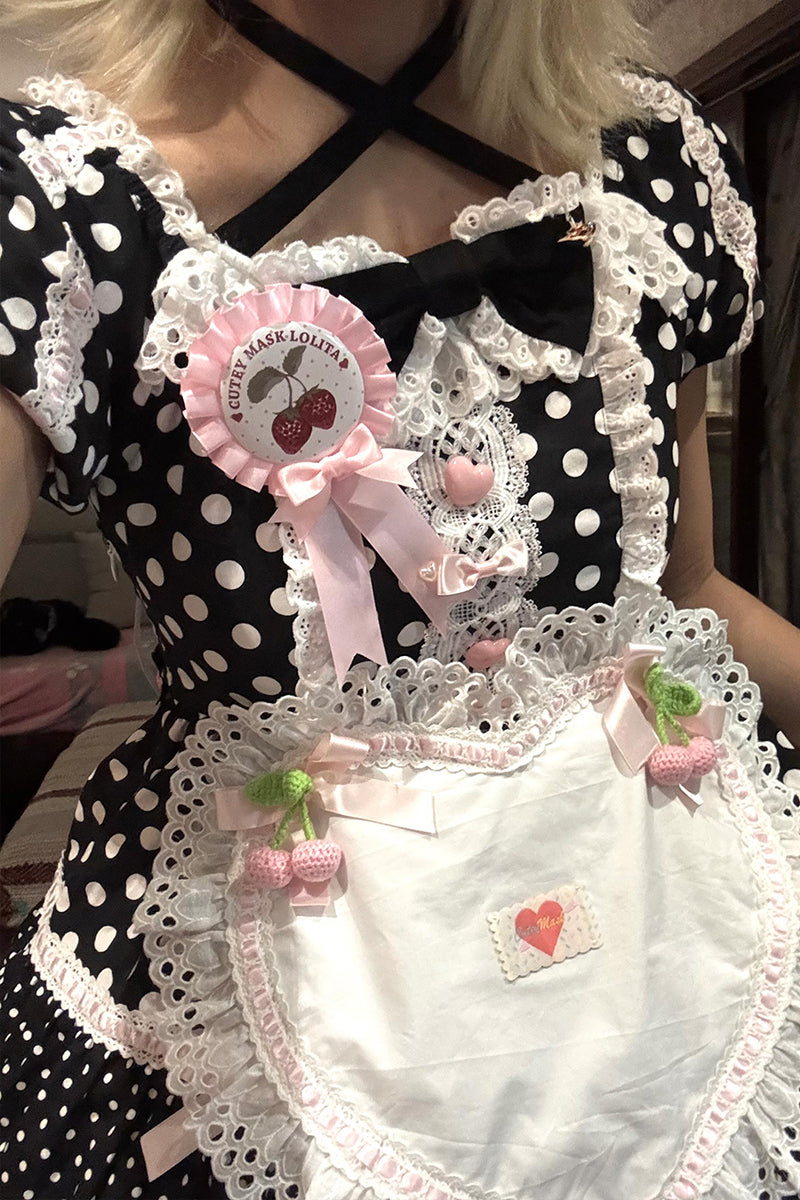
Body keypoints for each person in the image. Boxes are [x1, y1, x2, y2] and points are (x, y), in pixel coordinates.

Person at [1, 1, 798, 1197]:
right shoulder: (55, 207)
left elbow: (687, 595)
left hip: (679, 925)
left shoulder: (648, 158)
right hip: (265, 952)